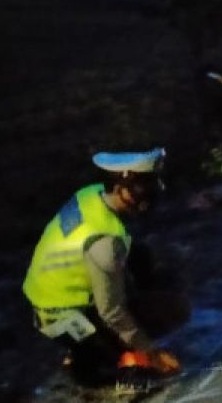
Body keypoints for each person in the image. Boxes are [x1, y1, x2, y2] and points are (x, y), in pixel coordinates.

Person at [22, 148, 186, 390]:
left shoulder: (91, 194)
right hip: (63, 314)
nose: (148, 198)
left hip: (47, 294)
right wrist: (151, 352)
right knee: (166, 319)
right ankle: (89, 359)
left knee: (139, 255)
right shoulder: (104, 242)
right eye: (142, 189)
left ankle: (95, 348)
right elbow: (112, 311)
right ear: (120, 188)